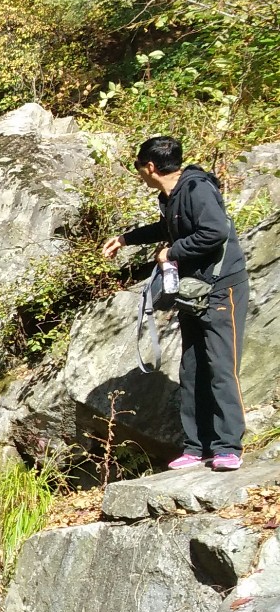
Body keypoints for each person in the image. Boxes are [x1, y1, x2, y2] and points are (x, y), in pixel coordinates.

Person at [100, 134, 248, 470]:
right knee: (192, 367)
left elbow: (215, 231)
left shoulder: (197, 189)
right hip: (194, 291)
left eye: (138, 168)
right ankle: (197, 447)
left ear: (150, 167)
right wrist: (125, 239)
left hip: (222, 288)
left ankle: (228, 447)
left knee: (221, 367)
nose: (139, 174)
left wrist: (171, 253)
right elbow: (169, 227)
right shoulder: (172, 196)